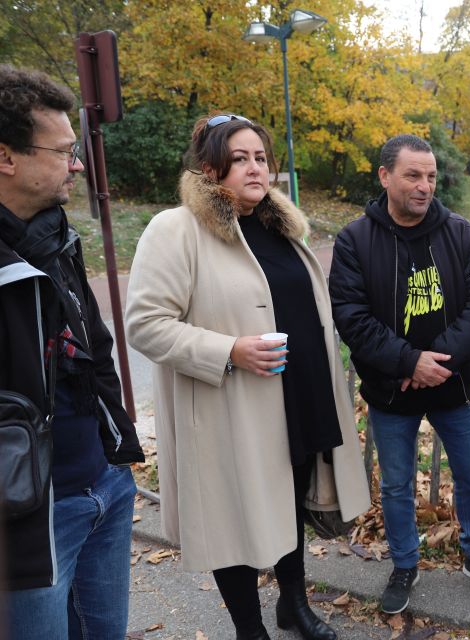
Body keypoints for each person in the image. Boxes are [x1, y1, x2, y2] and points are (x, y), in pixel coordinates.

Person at [125, 113, 370, 640]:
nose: (255, 168)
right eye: (240, 158)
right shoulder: (177, 229)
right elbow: (145, 325)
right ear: (211, 168)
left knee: (287, 502)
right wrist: (228, 350)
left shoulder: (278, 227)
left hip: (297, 398)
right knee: (231, 519)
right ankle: (248, 628)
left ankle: (294, 606)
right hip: (229, 409)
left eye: (260, 157)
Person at [328, 134, 470, 615]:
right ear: (385, 176)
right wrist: (409, 363)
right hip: (392, 389)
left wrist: (434, 363)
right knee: (395, 484)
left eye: (430, 176)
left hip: (454, 385)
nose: (424, 185)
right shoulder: (354, 241)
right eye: (413, 175)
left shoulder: (461, 234)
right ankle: (405, 563)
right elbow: (351, 315)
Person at [0, 64, 144, 639]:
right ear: (6, 157)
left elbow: (95, 350)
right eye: (62, 151)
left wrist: (116, 461)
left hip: (103, 486)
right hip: (28, 520)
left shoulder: (56, 236)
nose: (78, 163)